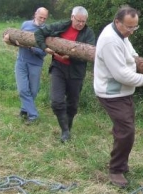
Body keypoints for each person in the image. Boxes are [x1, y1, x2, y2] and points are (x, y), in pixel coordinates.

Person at [93, 5, 143, 188]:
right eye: (128, 27)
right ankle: (116, 170)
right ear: (117, 22)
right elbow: (121, 75)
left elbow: (130, 52)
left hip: (123, 92)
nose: (131, 31)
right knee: (126, 132)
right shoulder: (110, 40)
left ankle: (121, 163)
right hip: (112, 93)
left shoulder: (121, 35)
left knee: (124, 129)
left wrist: (139, 61)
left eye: (135, 27)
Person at [34, 6, 95, 142]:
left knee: (72, 104)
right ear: (72, 17)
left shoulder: (89, 33)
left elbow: (89, 54)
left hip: (76, 72)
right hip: (58, 67)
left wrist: (71, 56)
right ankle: (65, 131)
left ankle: (68, 128)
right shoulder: (61, 26)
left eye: (83, 21)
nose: (80, 24)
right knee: (56, 101)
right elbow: (39, 34)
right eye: (78, 20)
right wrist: (45, 48)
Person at [3, 7, 49, 125]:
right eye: (41, 17)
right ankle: (33, 115)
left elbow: (44, 52)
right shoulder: (25, 24)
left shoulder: (46, 31)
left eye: (45, 18)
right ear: (35, 15)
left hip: (36, 64)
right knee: (23, 89)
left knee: (33, 90)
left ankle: (24, 110)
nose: (42, 20)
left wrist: (30, 47)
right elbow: (16, 40)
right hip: (21, 61)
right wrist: (9, 40)